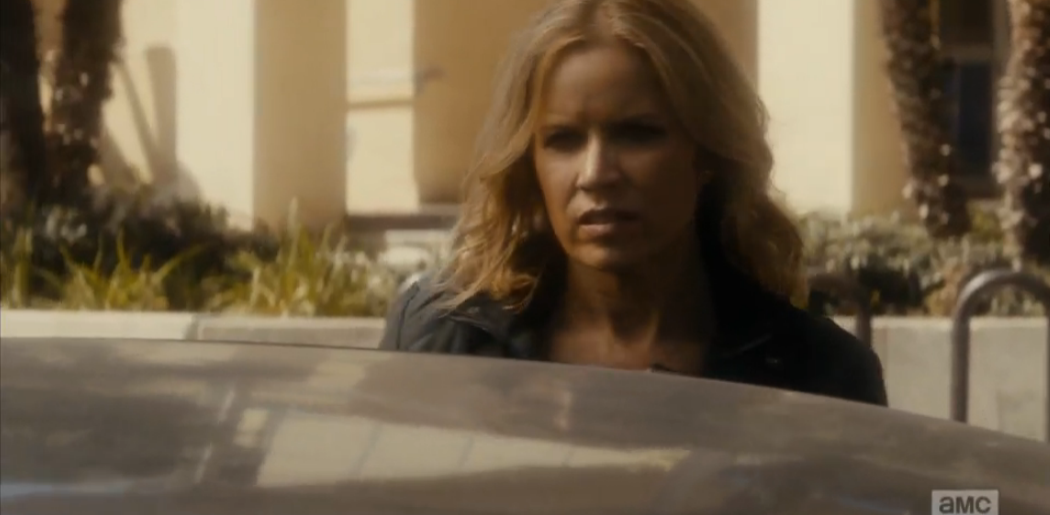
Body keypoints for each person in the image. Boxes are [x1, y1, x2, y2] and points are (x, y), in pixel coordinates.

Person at [380, 0, 888, 406]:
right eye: (563, 140)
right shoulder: (439, 336)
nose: (596, 174)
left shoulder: (819, 373)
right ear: (529, 163)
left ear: (706, 152)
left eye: (637, 134)